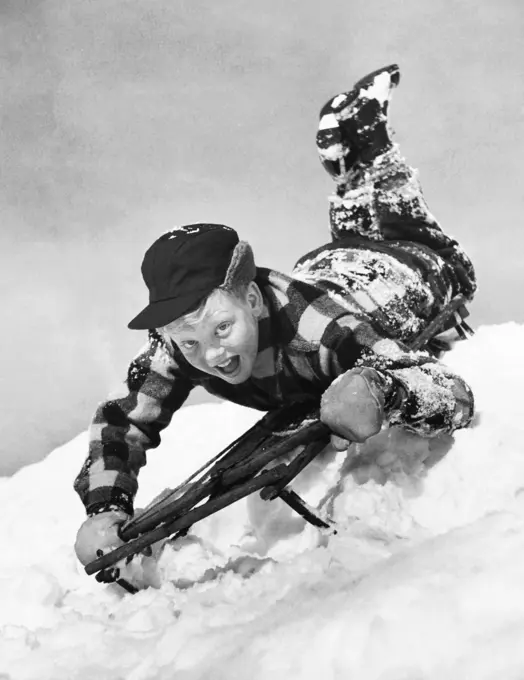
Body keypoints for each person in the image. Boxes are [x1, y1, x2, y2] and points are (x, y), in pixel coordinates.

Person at [73, 64, 477, 578]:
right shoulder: (181, 341)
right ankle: (349, 155)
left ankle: (366, 131)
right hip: (329, 268)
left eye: (222, 329)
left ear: (255, 301)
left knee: (415, 234)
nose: (213, 354)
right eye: (192, 342)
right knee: (352, 228)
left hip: (401, 274)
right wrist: (105, 504)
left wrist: (380, 389)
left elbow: (449, 391)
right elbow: (121, 420)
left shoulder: (324, 330)